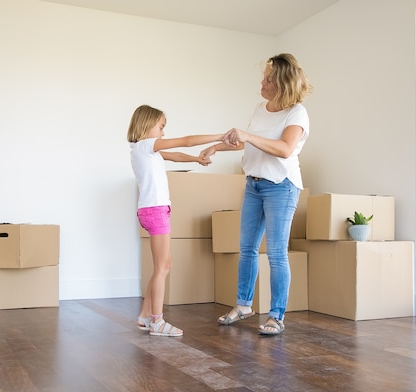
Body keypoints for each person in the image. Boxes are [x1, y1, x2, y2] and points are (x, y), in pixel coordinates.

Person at [201, 53, 312, 335]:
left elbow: (285, 149)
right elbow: (248, 144)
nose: (262, 83)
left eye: (269, 79)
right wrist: (217, 147)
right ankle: (244, 305)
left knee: (276, 253)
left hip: (281, 186)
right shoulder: (261, 108)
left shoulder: (296, 113)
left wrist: (247, 136)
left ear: (283, 83)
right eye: (263, 76)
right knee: (247, 248)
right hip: (254, 185)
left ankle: (276, 315)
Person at [128, 104, 224, 337]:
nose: (163, 133)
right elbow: (187, 140)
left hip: (156, 210)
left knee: (164, 265)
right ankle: (157, 321)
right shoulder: (146, 145)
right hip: (155, 211)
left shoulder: (146, 150)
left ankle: (144, 316)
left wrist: (197, 160)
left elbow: (176, 155)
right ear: (147, 125)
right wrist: (220, 136)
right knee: (162, 267)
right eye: (161, 127)